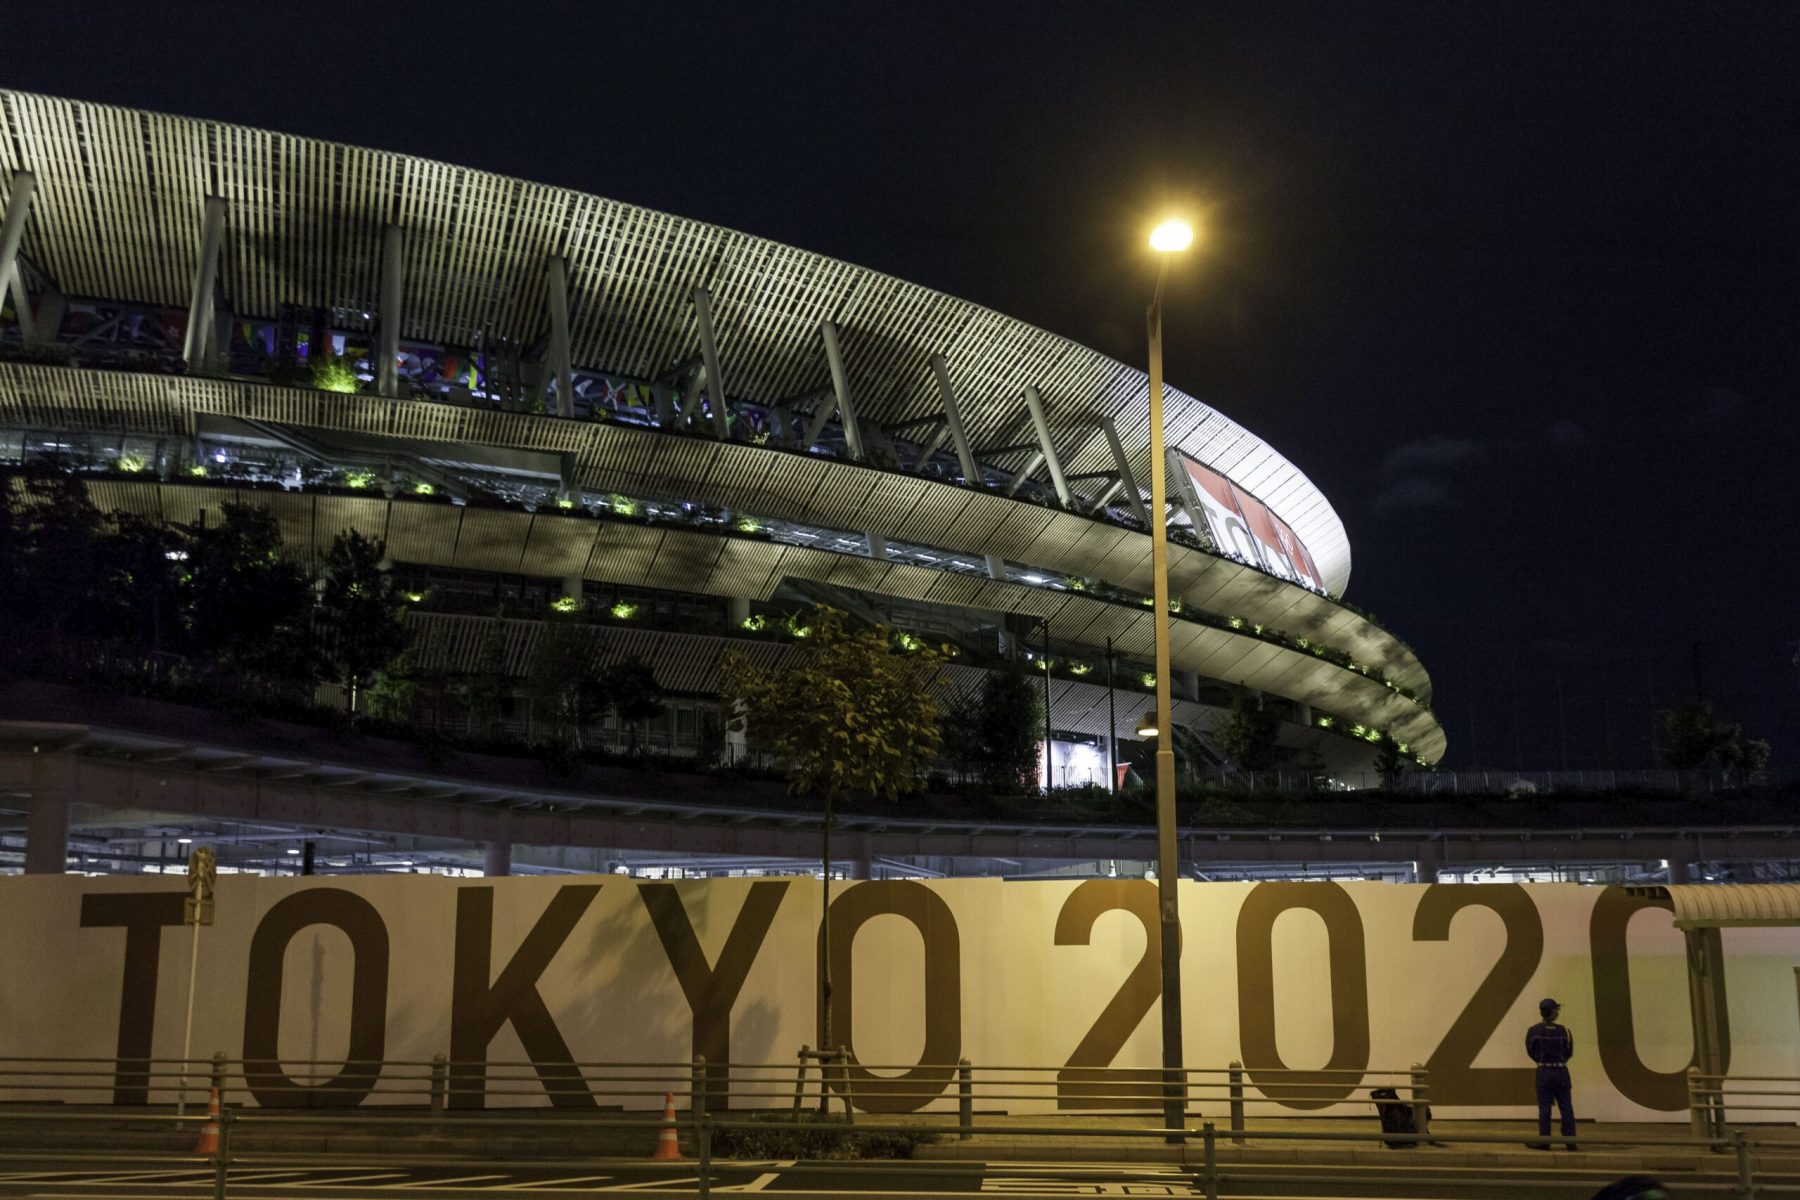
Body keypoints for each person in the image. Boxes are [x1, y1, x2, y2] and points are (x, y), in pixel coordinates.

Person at [1527, 996, 1577, 1150]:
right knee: (1566, 1106)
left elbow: (1531, 1051)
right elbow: (1569, 1052)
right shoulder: (1565, 1031)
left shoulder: (1534, 1031)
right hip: (1561, 1071)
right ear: (1553, 1012)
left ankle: (1544, 1140)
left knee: (1544, 1107)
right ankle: (1570, 1141)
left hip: (1544, 1071)